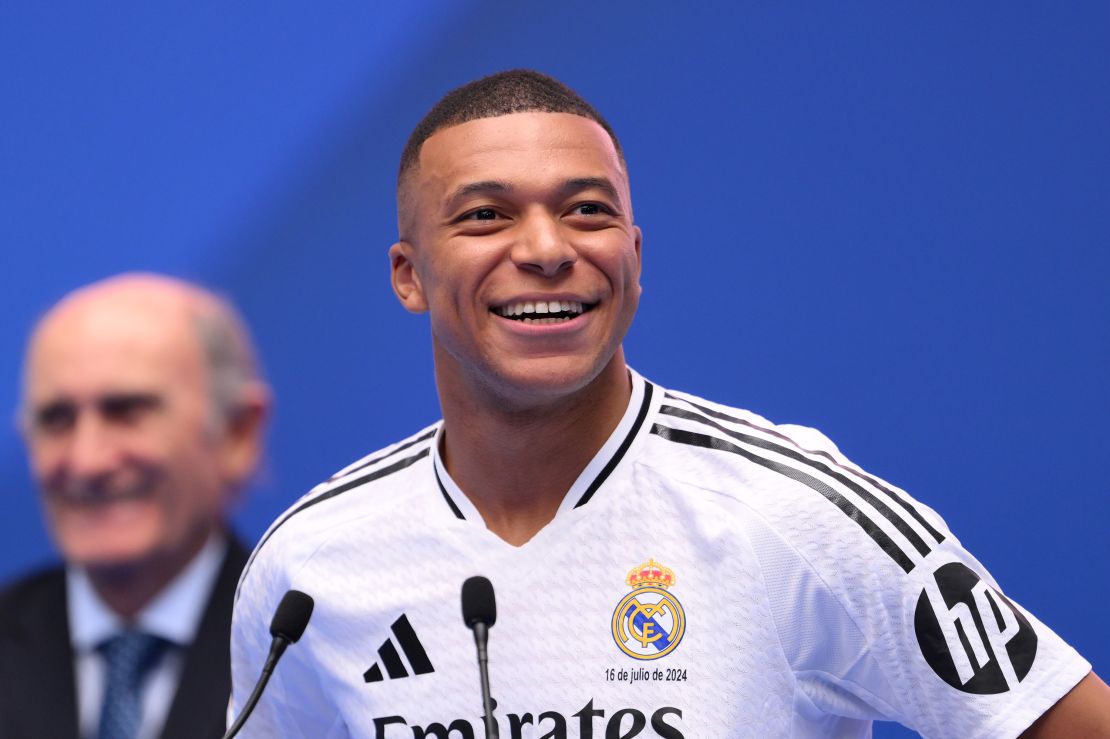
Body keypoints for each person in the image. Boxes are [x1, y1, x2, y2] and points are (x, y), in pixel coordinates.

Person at [230, 70, 1110, 737]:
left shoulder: (795, 515)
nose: (545, 249)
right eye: (486, 216)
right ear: (409, 275)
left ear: (636, 257)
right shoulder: (307, 570)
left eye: (586, 210)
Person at [1, 274, 270, 739]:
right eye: (56, 420)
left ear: (235, 434)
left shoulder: (304, 650)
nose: (88, 461)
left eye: (127, 412)